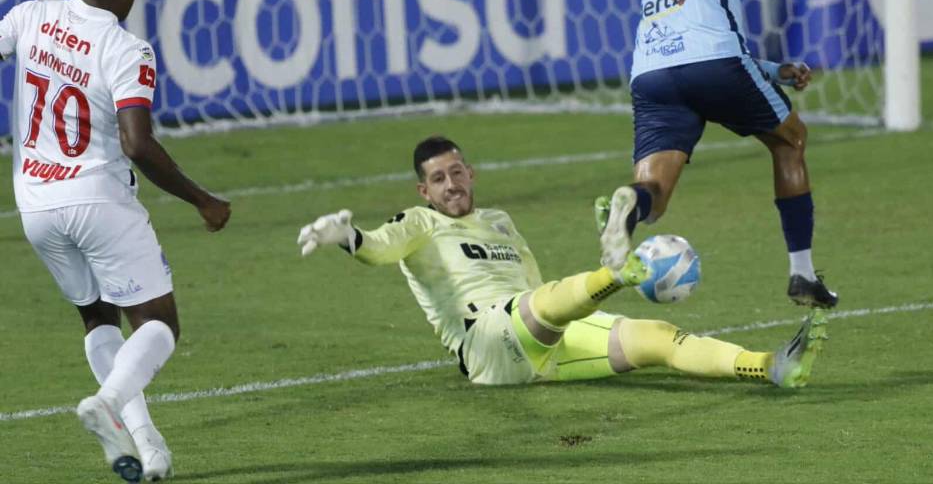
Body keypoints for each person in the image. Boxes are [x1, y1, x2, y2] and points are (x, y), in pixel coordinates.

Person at [297, 135, 827, 388]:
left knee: (658, 337)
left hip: (539, 334)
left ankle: (771, 365)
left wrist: (575, 309)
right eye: (439, 179)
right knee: (544, 304)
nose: (451, 184)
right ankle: (616, 271)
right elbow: (380, 248)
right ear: (424, 189)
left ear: (471, 173)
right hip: (487, 344)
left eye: (457, 172)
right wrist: (347, 236)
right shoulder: (419, 222)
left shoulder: (500, 220)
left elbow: (535, 284)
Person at [0, 0, 231, 482]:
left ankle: (148, 448)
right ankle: (108, 404)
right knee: (160, 325)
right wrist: (201, 199)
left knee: (98, 317)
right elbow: (137, 143)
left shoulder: (28, 16)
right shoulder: (127, 49)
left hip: (35, 207)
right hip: (98, 199)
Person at [597, 0, 838, 309]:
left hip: (651, 72)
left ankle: (628, 204)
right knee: (790, 140)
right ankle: (803, 275)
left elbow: (698, 18)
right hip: (711, 62)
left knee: (656, 195)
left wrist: (771, 71)